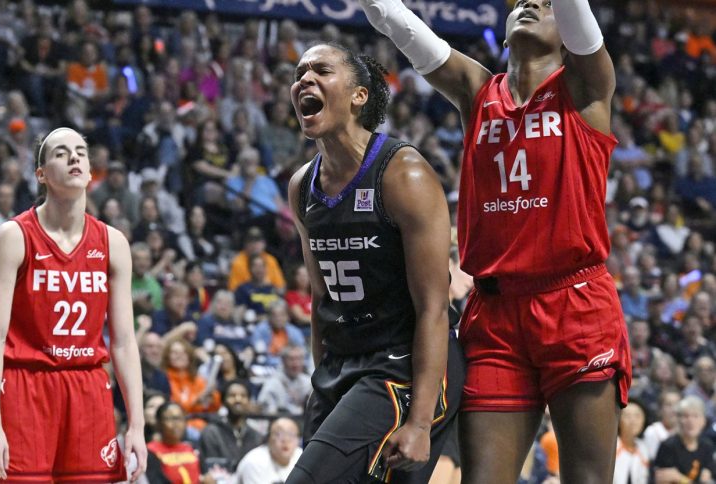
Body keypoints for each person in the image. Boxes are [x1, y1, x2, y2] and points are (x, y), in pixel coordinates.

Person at [360, 0, 632, 482]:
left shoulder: (586, 87)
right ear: (502, 34)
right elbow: (389, 16)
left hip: (575, 303)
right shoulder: (478, 91)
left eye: (546, 3)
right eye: (522, 1)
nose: (530, 4)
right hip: (495, 314)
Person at [284, 42, 464, 483]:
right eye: (299, 73)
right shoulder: (301, 186)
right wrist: (321, 381)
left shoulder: (405, 175)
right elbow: (321, 296)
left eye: (320, 70)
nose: (304, 79)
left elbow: (433, 308)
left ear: (359, 95)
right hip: (341, 365)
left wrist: (421, 422)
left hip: (401, 363)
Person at [0, 127, 146, 482]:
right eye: (60, 152)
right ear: (41, 174)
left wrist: (137, 426)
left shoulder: (113, 243)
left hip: (87, 387)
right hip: (26, 386)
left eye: (81, 152)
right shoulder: (13, 236)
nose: (74, 158)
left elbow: (125, 342)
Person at [653, 396, 715, 484]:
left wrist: (681, 479)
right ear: (678, 420)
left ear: (704, 421)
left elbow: (709, 477)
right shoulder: (668, 446)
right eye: (686, 416)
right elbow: (663, 478)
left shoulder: (707, 446)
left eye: (695, 416)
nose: (691, 421)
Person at [234, 417, 302, 484]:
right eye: (279, 434)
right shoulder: (254, 462)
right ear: (268, 438)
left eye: (291, 434)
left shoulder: (302, 457)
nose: (286, 439)